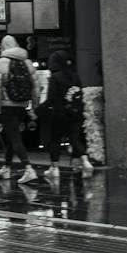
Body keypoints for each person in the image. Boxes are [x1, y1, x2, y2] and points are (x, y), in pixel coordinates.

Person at [0, 34, 38, 184]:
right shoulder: (26, 62)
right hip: (21, 105)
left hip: (7, 106)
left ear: (3, 47)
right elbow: (36, 87)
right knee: (12, 136)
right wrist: (34, 106)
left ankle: (28, 169)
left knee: (14, 137)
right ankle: (6, 167)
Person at [36, 51, 85, 182]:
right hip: (75, 114)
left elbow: (51, 99)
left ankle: (55, 168)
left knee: (55, 140)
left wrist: (38, 111)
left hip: (59, 114)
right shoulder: (75, 76)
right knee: (75, 140)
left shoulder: (55, 77)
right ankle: (86, 163)